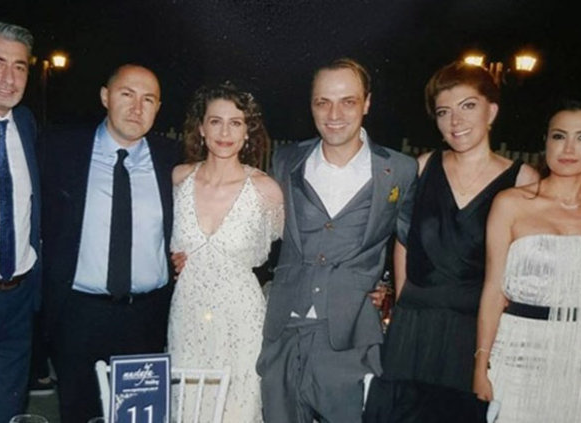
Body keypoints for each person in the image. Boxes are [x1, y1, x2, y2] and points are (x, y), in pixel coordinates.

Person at [364, 61, 540, 423]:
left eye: (468, 106)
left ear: (492, 111)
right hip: (413, 328)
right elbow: (404, 242)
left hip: (475, 334)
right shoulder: (423, 166)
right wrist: (404, 307)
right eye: (444, 112)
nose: (455, 121)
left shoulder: (523, 179)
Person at [257, 58, 417, 423]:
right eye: (322, 102)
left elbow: (409, 243)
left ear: (367, 103)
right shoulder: (285, 161)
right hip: (284, 330)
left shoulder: (399, 170)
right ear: (311, 105)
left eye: (348, 101)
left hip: (353, 337)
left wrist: (389, 287)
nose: (334, 114)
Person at [40, 64, 182, 423]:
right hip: (79, 317)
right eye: (126, 94)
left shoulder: (172, 159)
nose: (137, 108)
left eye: (148, 99)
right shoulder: (60, 150)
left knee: (138, 418)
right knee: (80, 414)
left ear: (158, 108)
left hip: (146, 319)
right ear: (105, 96)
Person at [474, 99, 581, 422]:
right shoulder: (511, 203)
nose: (568, 148)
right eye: (559, 136)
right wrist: (481, 365)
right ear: (546, 142)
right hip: (519, 348)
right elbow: (493, 290)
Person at [167, 82, 283, 422]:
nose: (224, 132)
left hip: (241, 320)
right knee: (186, 407)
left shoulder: (266, 191)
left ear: (248, 132)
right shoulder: (178, 179)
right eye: (215, 121)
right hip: (187, 315)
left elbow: (288, 253)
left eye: (235, 123)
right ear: (201, 128)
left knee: (238, 408)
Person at [0, 19, 40, 423]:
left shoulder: (27, 124)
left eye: (19, 67)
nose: (9, 78)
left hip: (19, 299)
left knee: (9, 410)